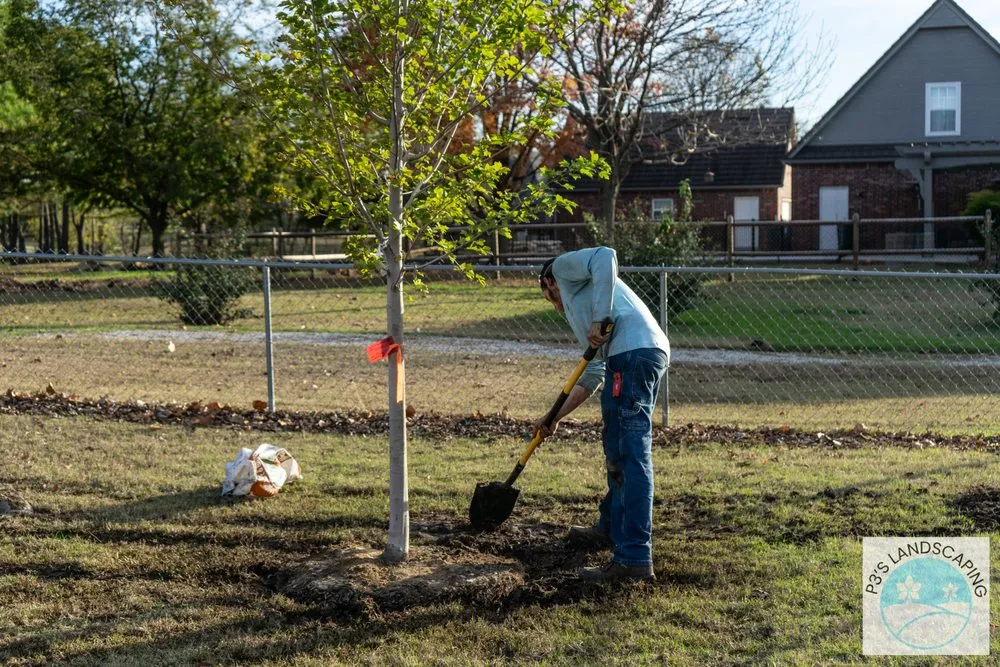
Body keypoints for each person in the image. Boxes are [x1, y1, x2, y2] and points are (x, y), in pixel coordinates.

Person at [535, 246, 669, 582]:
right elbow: (593, 373)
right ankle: (611, 526)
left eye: (549, 297)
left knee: (629, 451)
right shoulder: (585, 314)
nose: (554, 306)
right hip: (630, 356)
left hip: (633, 352)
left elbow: (606, 255)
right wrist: (555, 416)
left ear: (549, 283)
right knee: (616, 446)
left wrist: (601, 316)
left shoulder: (563, 269)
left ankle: (635, 558)